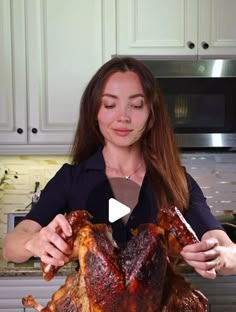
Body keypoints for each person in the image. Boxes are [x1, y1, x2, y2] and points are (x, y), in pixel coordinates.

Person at [3, 56, 236, 279]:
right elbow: (10, 246)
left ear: (151, 116)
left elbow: (228, 251)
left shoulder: (176, 181)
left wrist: (218, 256)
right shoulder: (70, 179)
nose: (123, 117)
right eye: (110, 104)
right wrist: (34, 242)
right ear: (94, 112)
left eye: (136, 105)